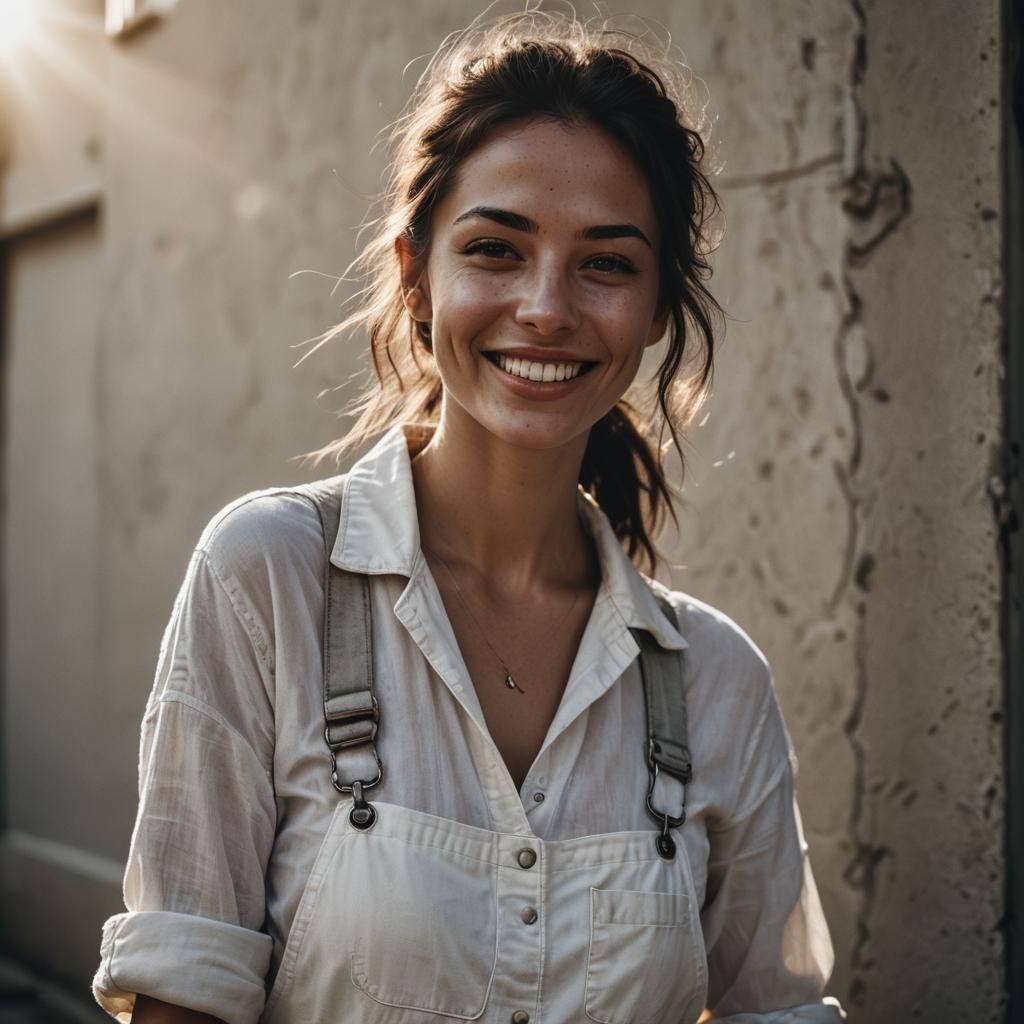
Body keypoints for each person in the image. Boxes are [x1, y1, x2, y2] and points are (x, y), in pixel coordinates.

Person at [94, 10, 844, 1024]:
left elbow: (777, 1010)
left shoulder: (717, 681)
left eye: (607, 262)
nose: (545, 306)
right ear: (415, 273)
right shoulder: (266, 577)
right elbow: (181, 995)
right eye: (496, 247)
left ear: (658, 306)